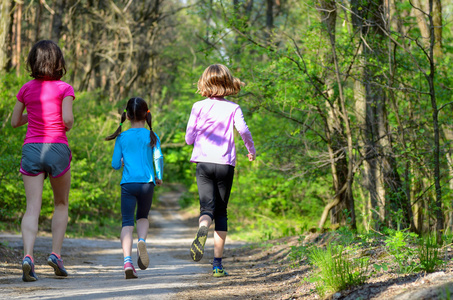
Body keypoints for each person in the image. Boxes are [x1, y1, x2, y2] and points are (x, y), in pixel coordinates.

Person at [11, 40, 75, 282]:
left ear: (33, 62)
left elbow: (15, 122)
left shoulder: (26, 89)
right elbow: (67, 121)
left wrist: (35, 113)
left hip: (31, 149)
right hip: (57, 147)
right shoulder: (64, 88)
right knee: (60, 203)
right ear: (58, 61)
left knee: (32, 209)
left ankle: (28, 257)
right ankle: (55, 255)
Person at [185, 64, 256, 277]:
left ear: (204, 83)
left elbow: (189, 137)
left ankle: (203, 226)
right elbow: (243, 130)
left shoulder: (198, 106)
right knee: (222, 211)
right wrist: (251, 150)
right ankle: (217, 265)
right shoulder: (233, 108)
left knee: (207, 208)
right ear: (227, 83)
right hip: (225, 164)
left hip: (204, 164)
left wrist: (195, 139)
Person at [106, 97, 163, 279]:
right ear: (147, 115)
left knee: (127, 223)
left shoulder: (122, 137)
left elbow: (115, 164)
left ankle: (127, 261)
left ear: (127, 116)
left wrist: (122, 162)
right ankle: (142, 241)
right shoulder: (152, 136)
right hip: (147, 184)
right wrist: (159, 176)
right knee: (143, 217)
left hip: (128, 184)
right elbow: (158, 157)